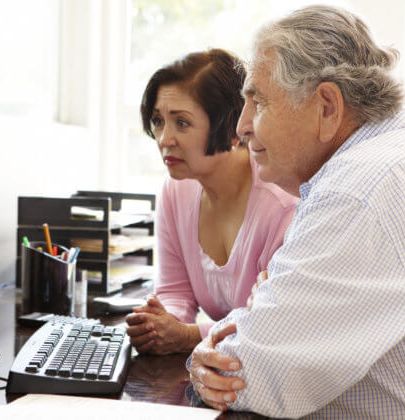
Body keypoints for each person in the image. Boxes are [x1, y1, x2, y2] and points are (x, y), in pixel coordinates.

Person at [189, 5, 405, 418]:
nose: (242, 126)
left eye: (258, 101)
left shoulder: (357, 189)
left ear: (328, 106)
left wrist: (206, 354)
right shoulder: (383, 159)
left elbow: (246, 375)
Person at [125, 49, 297, 355]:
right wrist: (159, 325)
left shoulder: (282, 205)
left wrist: (189, 335)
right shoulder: (175, 191)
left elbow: (274, 322)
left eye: (182, 123)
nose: (164, 139)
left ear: (230, 126)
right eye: (158, 121)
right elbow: (174, 292)